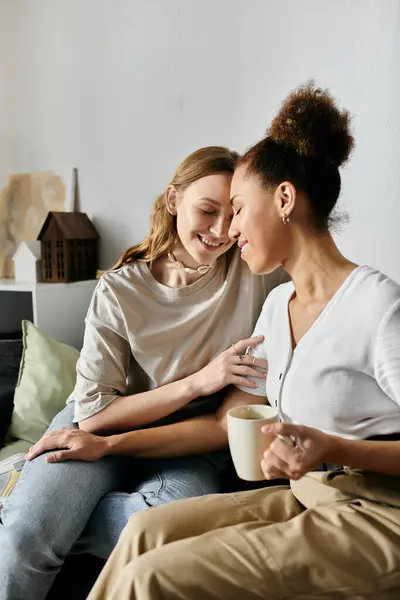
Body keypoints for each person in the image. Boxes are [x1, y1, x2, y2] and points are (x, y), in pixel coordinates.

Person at [84, 82, 400, 600]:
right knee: (144, 532)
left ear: (283, 199)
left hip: (383, 515)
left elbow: (333, 443)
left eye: (236, 208)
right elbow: (220, 422)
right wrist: (105, 444)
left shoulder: (377, 307)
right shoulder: (276, 309)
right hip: (311, 494)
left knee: (153, 577)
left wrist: (334, 447)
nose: (229, 229)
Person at [0, 146, 287, 600]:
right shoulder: (119, 289)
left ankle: (21, 499)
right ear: (173, 200)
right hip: (99, 424)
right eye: (206, 210)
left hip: (184, 444)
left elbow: (220, 426)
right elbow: (94, 418)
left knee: (176, 526)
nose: (220, 231)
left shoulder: (256, 275)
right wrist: (199, 381)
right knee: (25, 537)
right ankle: (29, 509)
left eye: (230, 215)